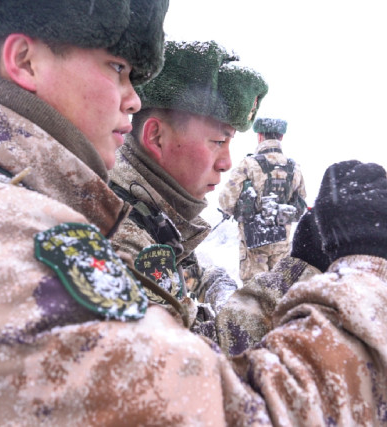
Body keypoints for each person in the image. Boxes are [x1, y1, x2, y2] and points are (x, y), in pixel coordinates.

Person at [0, 1, 387, 425]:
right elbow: (234, 411)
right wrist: (364, 271)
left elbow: (189, 349)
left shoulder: (5, 207)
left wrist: (301, 264)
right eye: (118, 68)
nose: (133, 99)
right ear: (26, 61)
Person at [108, 40, 268, 329]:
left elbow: (193, 275)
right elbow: (206, 356)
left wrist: (221, 287)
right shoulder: (127, 239)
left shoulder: (153, 213)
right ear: (156, 137)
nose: (226, 162)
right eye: (218, 141)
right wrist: (302, 268)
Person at [219, 117, 307, 282]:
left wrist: (235, 211)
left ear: (259, 136)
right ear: (281, 137)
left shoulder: (248, 164)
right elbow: (301, 201)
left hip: (254, 242)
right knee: (279, 289)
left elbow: (226, 200)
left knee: (253, 294)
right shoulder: (294, 167)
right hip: (282, 240)